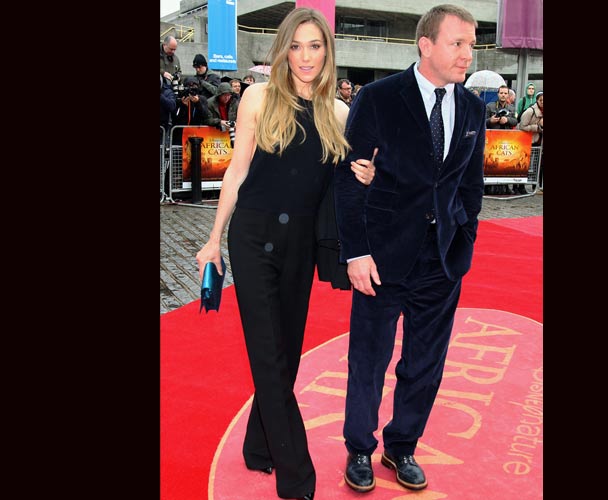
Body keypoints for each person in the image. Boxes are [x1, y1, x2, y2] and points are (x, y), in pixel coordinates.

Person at [195, 7, 375, 500]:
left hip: (300, 247)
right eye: (295, 46)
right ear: (283, 51)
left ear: (328, 51)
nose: (305, 56)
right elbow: (235, 173)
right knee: (269, 359)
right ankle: (298, 479)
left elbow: (345, 186)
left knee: (285, 357)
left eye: (314, 45)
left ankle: (259, 446)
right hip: (251, 239)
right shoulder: (258, 98)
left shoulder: (339, 114)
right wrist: (214, 239)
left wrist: (366, 177)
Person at [334, 3, 486, 493]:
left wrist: (463, 241)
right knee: (369, 358)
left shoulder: (472, 108)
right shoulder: (379, 98)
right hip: (381, 256)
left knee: (425, 363)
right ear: (426, 44)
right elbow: (350, 178)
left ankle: (402, 447)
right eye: (457, 43)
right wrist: (356, 252)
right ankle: (360, 447)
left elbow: (470, 186)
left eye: (471, 43)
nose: (468, 53)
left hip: (441, 260)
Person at [518, 90, 543, 190]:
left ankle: (536, 186)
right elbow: (522, 126)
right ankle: (520, 186)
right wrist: (537, 127)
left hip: (540, 142)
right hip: (530, 141)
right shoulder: (530, 111)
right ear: (537, 101)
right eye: (541, 100)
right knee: (525, 164)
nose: (543, 102)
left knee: (538, 165)